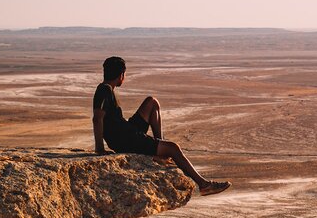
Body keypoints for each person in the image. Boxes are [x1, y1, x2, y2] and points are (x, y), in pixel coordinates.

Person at [92, 56, 230, 196]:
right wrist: (99, 148)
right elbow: (97, 119)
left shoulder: (107, 89)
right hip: (125, 139)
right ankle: (204, 185)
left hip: (126, 132)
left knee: (152, 102)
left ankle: (160, 149)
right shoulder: (104, 90)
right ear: (121, 74)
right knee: (173, 148)